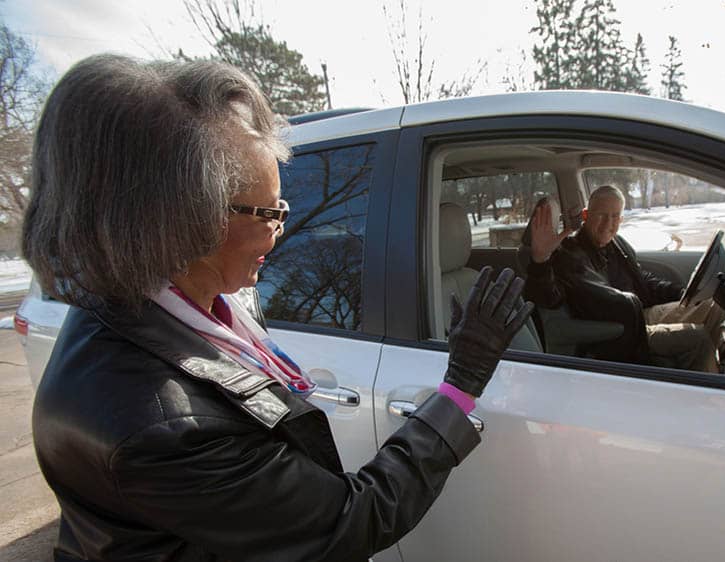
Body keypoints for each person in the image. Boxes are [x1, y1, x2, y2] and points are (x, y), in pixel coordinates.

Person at [22, 54, 533, 562]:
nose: (284, 228)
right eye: (268, 212)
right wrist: (461, 384)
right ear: (177, 220)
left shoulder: (169, 298)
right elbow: (350, 522)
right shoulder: (165, 427)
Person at [524, 186, 720, 371]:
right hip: (619, 330)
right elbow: (547, 297)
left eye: (615, 216)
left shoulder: (617, 244)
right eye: (601, 215)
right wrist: (540, 261)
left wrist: (682, 293)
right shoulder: (568, 253)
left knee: (713, 306)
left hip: (638, 314)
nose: (608, 224)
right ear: (585, 215)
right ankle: (712, 396)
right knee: (698, 338)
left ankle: (715, 368)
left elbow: (641, 281)